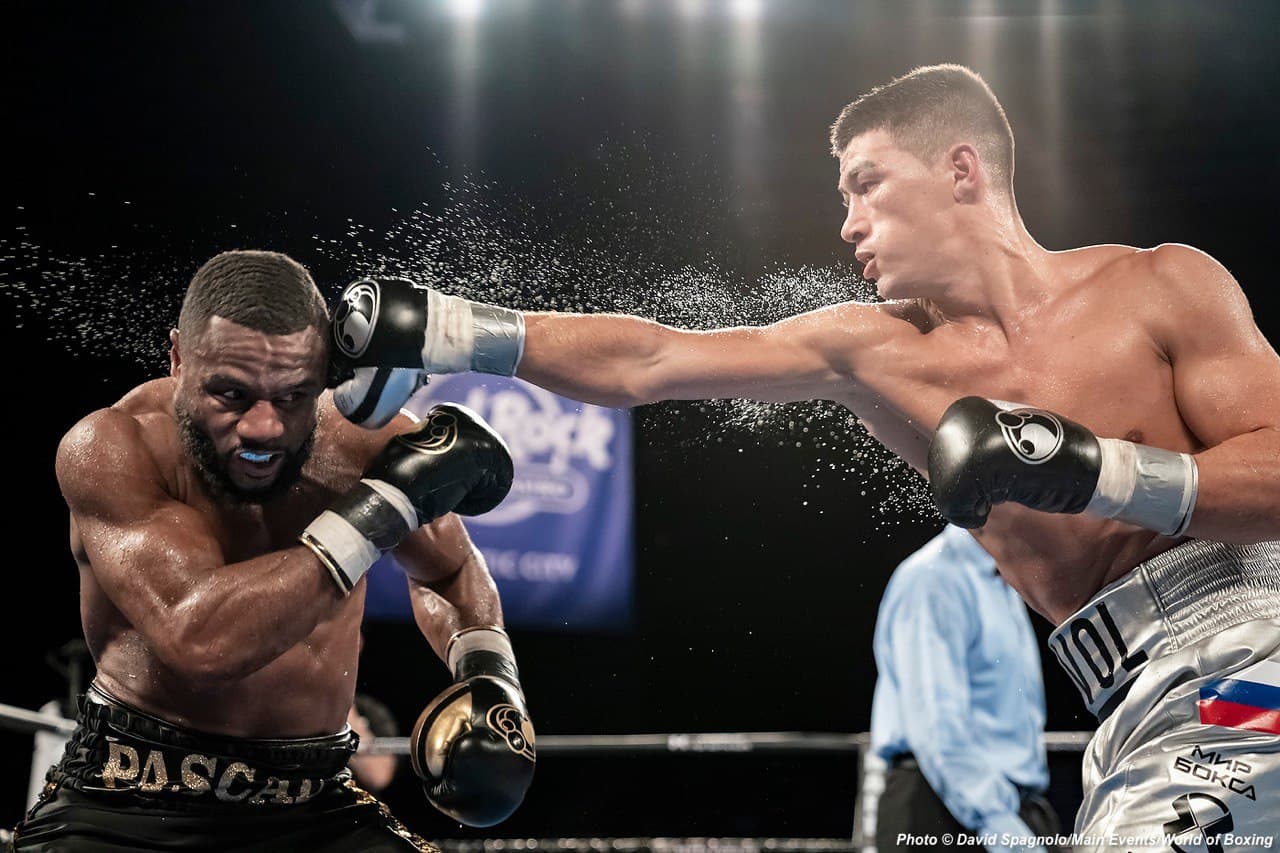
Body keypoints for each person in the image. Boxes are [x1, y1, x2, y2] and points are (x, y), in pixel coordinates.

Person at [329, 65, 1280, 847]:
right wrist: (456, 328)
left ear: (961, 170)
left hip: (1249, 649)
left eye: (867, 183)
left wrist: (1094, 470)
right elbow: (659, 358)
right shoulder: (877, 351)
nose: (846, 224)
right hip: (1127, 703)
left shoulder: (1159, 285)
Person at [12, 250, 536, 852]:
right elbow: (200, 640)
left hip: (316, 797)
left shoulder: (362, 445)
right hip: (128, 795)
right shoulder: (112, 447)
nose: (264, 426)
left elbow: (449, 569)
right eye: (231, 394)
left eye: (293, 397)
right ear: (179, 358)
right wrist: (384, 506)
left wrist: (491, 678)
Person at [871, 525, 1059, 852]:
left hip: (1003, 803)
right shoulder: (934, 577)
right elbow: (936, 724)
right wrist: (995, 819)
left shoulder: (1003, 579)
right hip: (945, 806)